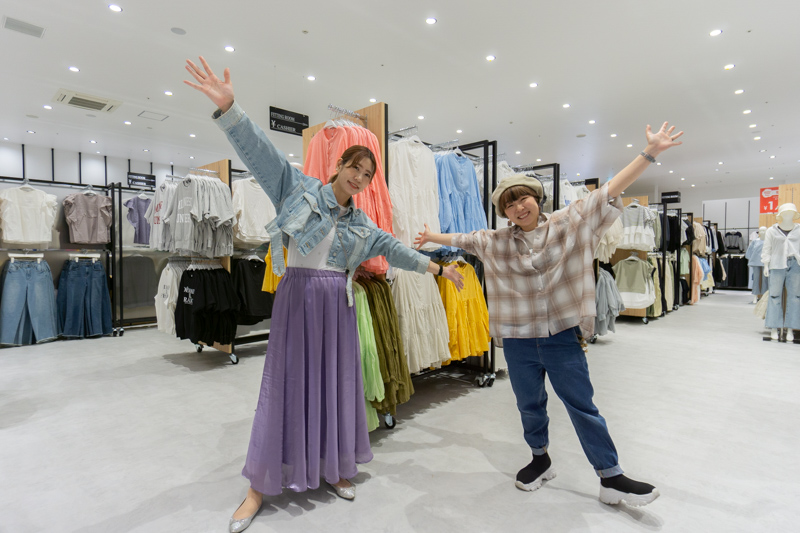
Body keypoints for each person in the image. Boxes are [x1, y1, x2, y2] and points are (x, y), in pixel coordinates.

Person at [184, 56, 465, 533]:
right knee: (283, 386)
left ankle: (334, 468)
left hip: (337, 305)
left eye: (368, 175)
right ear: (339, 165)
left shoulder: (362, 224)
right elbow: (261, 154)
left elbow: (396, 251)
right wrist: (230, 108)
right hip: (298, 299)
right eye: (356, 167)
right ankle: (258, 488)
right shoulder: (298, 190)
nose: (360, 178)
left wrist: (439, 268)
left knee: (336, 385)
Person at [415, 123, 683, 507]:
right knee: (529, 406)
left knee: (582, 406)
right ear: (504, 212)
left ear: (537, 198)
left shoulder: (568, 223)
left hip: (561, 337)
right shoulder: (497, 241)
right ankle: (540, 459)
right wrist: (430, 239)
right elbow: (463, 238)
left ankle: (611, 476)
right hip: (518, 341)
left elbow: (609, 192)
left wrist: (650, 152)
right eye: (509, 204)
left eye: (523, 198)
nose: (518, 207)